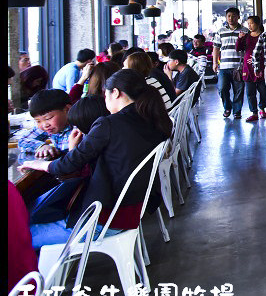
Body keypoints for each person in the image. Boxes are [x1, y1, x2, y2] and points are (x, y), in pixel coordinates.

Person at [18, 69, 173, 249]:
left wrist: (38, 164)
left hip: (103, 220)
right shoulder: (150, 119)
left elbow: (67, 165)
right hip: (130, 212)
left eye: (105, 94)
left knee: (18, 235)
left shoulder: (109, 124)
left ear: (115, 93)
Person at [17, 89, 74, 159]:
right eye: (38, 121)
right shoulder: (50, 127)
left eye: (48, 118)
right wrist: (41, 146)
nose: (44, 125)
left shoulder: (79, 128)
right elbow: (23, 140)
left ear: (67, 109)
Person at [213, 7, 247, 119]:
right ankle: (227, 107)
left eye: (233, 16)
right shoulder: (221, 31)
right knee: (222, 88)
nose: (231, 18)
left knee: (239, 90)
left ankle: (237, 111)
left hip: (239, 67)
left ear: (238, 17)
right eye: (228, 16)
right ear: (226, 17)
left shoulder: (245, 31)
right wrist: (215, 63)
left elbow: (248, 49)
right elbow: (216, 48)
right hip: (224, 66)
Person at [237, 15, 266, 122]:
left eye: (251, 23)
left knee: (263, 91)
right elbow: (238, 48)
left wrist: (256, 59)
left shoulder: (264, 36)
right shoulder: (246, 36)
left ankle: (262, 108)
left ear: (258, 24)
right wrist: (240, 38)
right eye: (248, 23)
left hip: (261, 67)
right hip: (248, 68)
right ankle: (254, 112)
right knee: (250, 92)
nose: (249, 26)